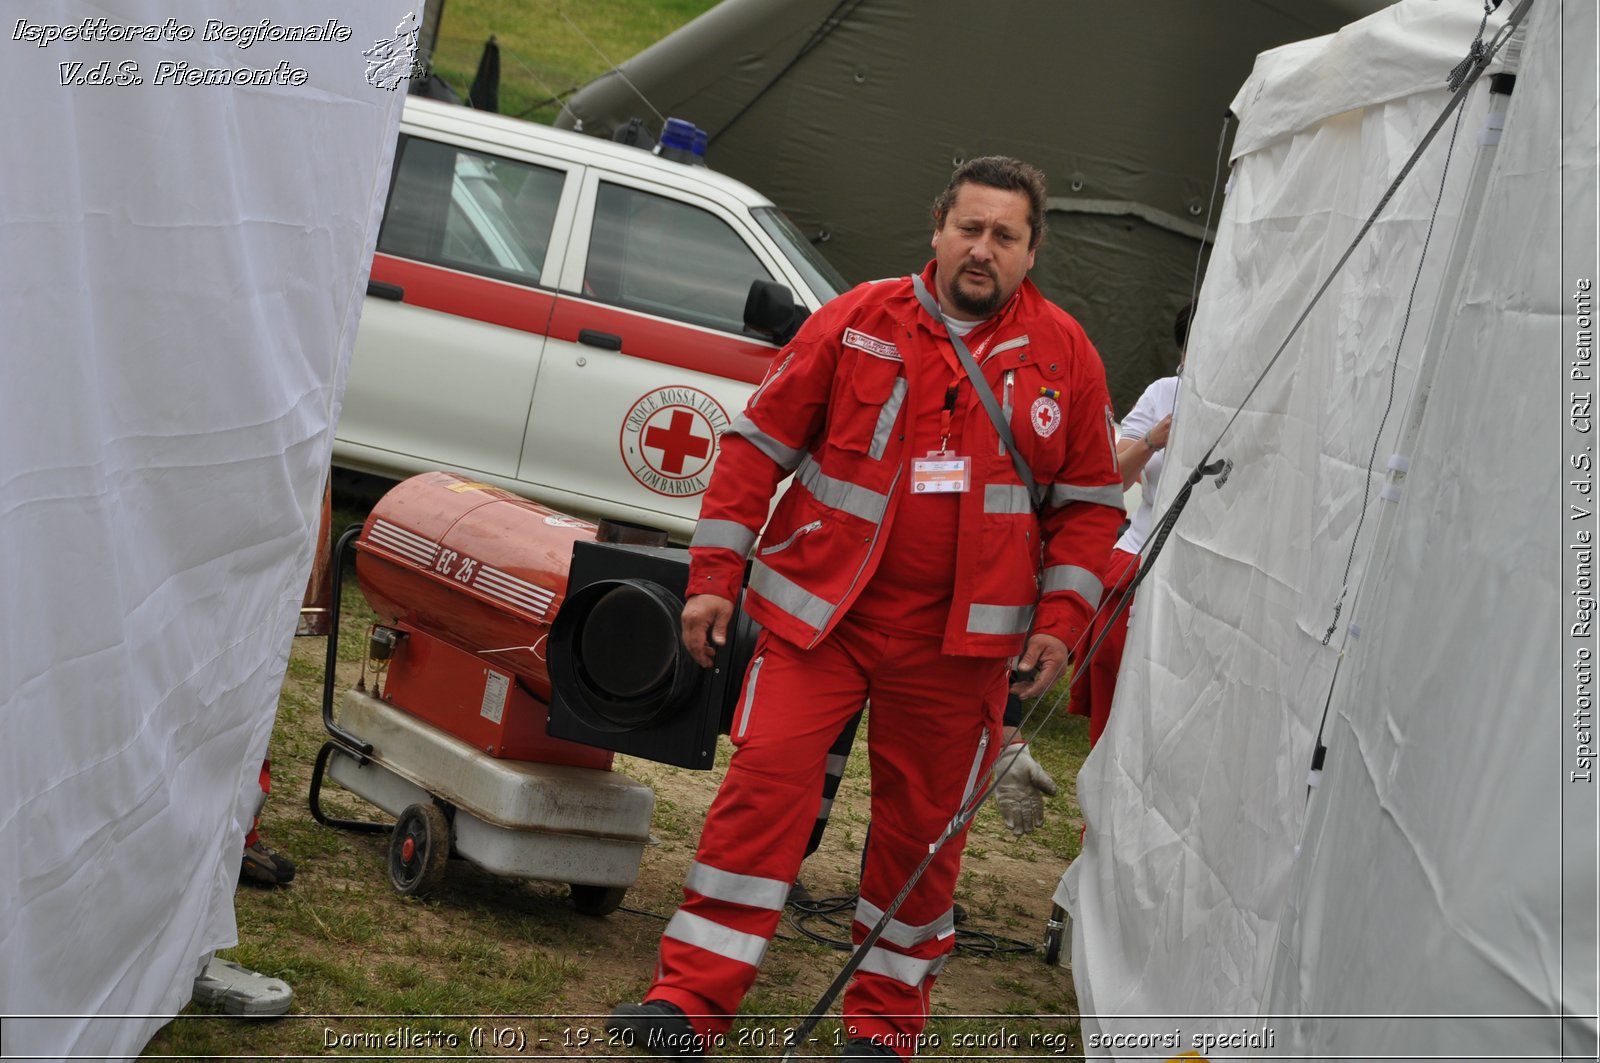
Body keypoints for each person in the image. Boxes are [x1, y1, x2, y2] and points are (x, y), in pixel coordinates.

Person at [607, 155, 1122, 1060]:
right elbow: (752, 449)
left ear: (1031, 252)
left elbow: (1087, 510)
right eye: (970, 226)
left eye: (1006, 235)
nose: (983, 248)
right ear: (936, 228)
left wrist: (1060, 621)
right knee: (761, 797)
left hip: (960, 653)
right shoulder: (857, 322)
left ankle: (883, 1030)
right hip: (821, 626)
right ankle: (688, 1002)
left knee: (920, 842)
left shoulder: (1064, 357)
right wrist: (713, 577)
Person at [1067, 301, 1190, 747]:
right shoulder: (1164, 392)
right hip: (1138, 562)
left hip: (1198, 579)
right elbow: (1109, 480)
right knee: (1113, 696)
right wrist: (1152, 440)